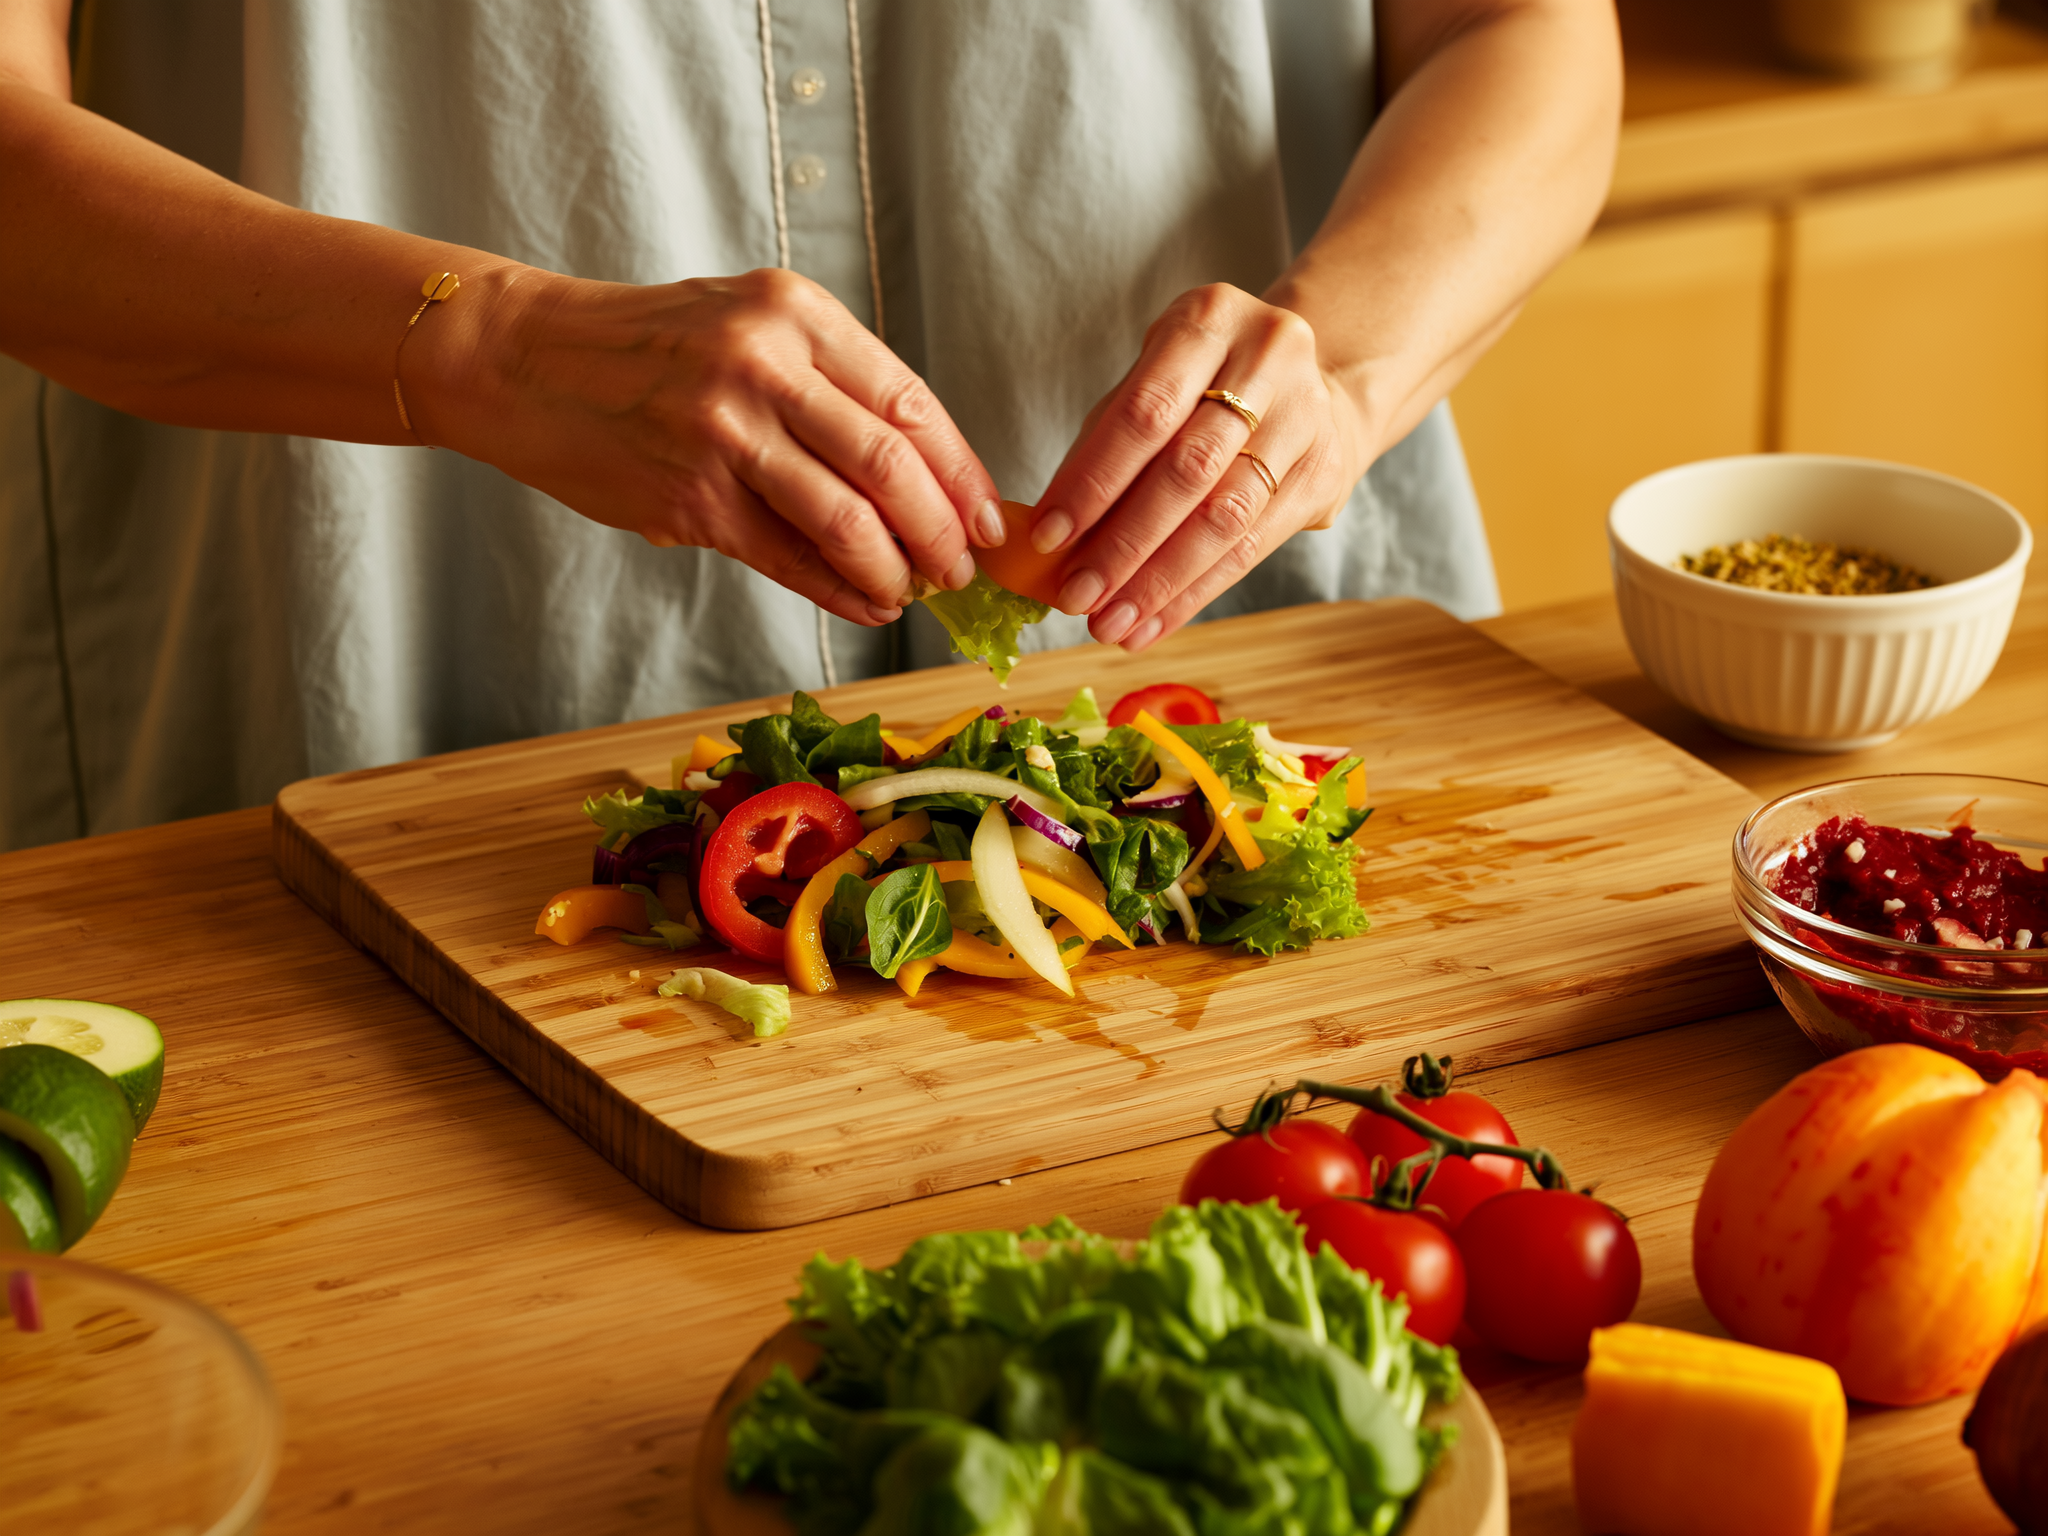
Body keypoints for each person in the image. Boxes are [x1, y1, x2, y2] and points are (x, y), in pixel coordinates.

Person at [0, 0, 1620, 848]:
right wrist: (486, 343)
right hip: (366, 738)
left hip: (1247, 701)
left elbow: (1520, 25)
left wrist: (1343, 370)